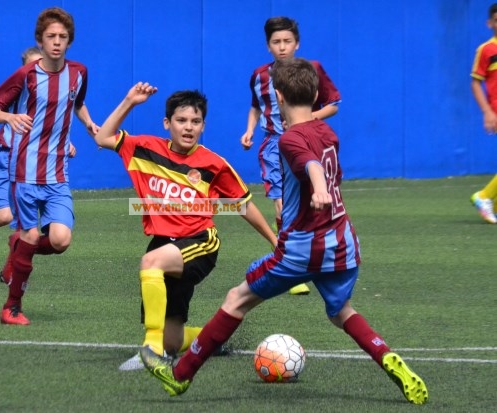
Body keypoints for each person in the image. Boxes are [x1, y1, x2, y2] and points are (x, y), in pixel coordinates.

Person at [140, 58, 429, 405]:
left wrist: (318, 189)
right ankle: (386, 356)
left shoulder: (289, 139)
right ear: (317, 95)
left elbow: (310, 164)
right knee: (342, 311)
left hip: (303, 247)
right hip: (342, 243)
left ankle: (180, 375)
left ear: (277, 96)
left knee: (236, 299)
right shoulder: (328, 133)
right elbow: (320, 163)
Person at [93, 82, 277, 369]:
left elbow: (243, 205)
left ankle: (151, 350)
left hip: (200, 242)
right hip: (163, 243)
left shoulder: (214, 164)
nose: (188, 127)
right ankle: (209, 339)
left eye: (195, 121)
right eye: (181, 120)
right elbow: (103, 137)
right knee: (173, 339)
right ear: (167, 123)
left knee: (151, 262)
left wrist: (275, 242)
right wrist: (129, 101)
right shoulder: (144, 149)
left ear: (203, 126)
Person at [0, 7, 99, 325]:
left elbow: (77, 102)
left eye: (63, 36)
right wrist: (10, 117)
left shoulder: (79, 72)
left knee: (60, 240)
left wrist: (90, 124)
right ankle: (11, 307)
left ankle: (20, 246)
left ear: (70, 40)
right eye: (51, 36)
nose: (57, 42)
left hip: (58, 173)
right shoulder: (26, 75)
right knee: (32, 235)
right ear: (40, 40)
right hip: (24, 172)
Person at [0, 47, 77, 283]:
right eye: (32, 65)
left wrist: (67, 145)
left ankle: (10, 270)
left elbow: (52, 130)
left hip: (34, 164)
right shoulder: (18, 89)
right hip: (6, 160)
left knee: (22, 225)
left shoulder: (48, 97)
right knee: (4, 217)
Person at [240, 17, 342, 295]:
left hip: (307, 141)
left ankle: (315, 256)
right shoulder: (259, 76)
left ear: (297, 43)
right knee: (281, 205)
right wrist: (249, 130)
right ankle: (288, 263)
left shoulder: (312, 69)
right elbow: (256, 107)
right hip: (274, 145)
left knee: (310, 203)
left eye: (287, 41)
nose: (282, 47)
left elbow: (333, 104)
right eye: (276, 42)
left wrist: (306, 119)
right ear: (268, 46)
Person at [470, 3, 497, 224]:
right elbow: (475, 83)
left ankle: (491, 203)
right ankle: (484, 196)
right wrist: (487, 112)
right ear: (490, 23)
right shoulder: (486, 49)